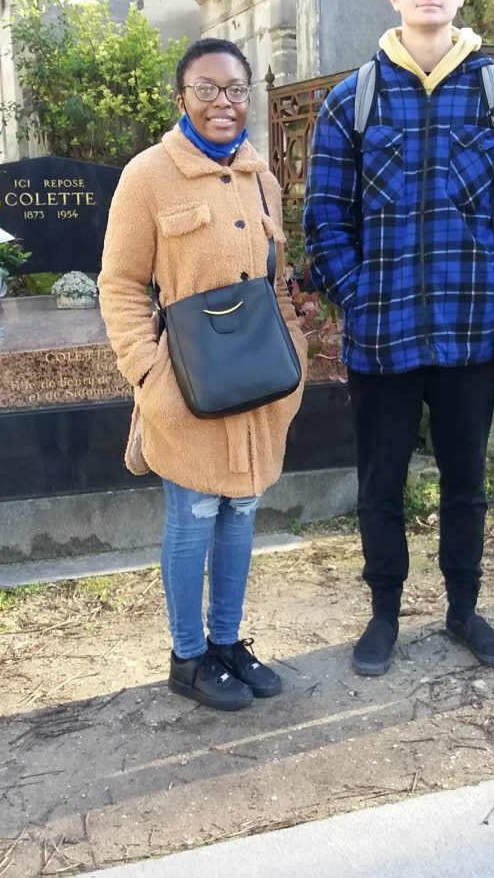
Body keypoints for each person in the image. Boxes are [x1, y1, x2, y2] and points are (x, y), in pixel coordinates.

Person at [303, 0, 494, 676]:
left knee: (466, 483)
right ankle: (383, 613)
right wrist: (360, 297)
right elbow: (325, 219)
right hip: (383, 336)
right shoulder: (352, 101)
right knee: (379, 483)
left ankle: (464, 609)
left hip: (470, 332)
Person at [98, 38, 307, 710]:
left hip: (259, 389)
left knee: (240, 515)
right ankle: (188, 657)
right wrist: (147, 373)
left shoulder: (261, 178)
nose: (224, 102)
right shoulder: (147, 175)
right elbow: (120, 284)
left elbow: (277, 283)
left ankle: (226, 643)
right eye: (207, 89)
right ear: (182, 96)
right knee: (192, 520)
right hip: (187, 391)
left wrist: (297, 356)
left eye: (236, 90)